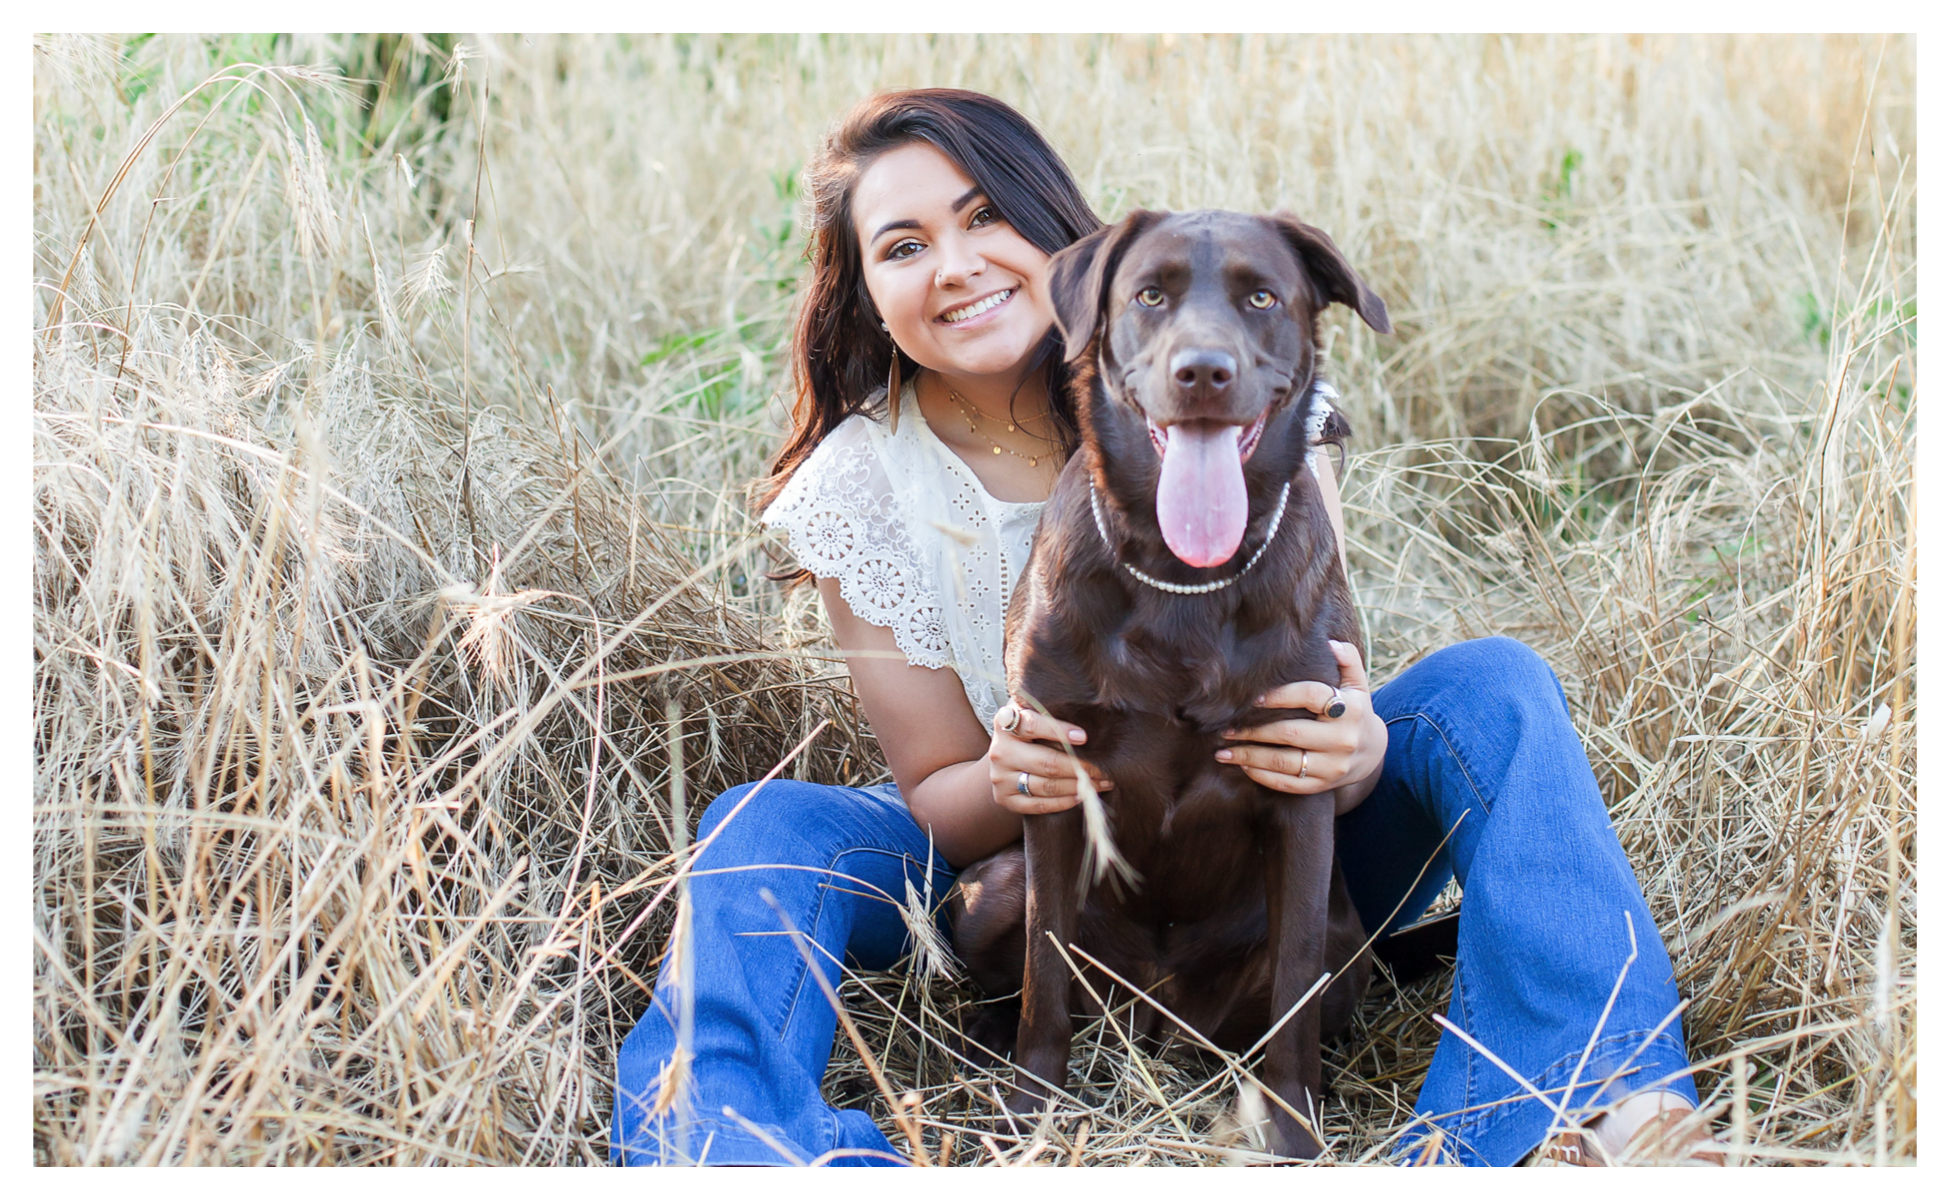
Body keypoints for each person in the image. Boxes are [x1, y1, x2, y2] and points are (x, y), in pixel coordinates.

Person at [611, 88, 1716, 1168]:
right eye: (902, 246)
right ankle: (726, 1146)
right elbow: (940, 791)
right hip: (1025, 853)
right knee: (761, 821)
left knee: (1496, 689)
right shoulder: (856, 484)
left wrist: (1362, 745)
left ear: (1057, 231)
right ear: (866, 292)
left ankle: (1601, 1096)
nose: (954, 265)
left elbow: (1326, 675)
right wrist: (1021, 771)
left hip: (1267, 851)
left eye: (986, 216)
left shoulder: (1236, 385)